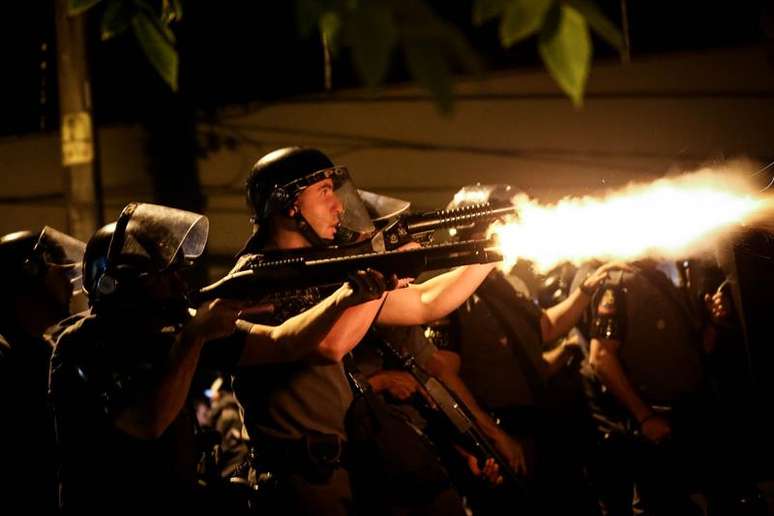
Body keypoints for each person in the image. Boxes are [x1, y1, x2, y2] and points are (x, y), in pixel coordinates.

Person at [49, 202, 392, 513]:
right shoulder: (83, 342)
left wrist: (348, 296)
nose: (179, 283)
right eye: (165, 275)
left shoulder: (177, 330)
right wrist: (195, 336)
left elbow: (283, 341)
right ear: (119, 283)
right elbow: (147, 422)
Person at [234, 147, 500, 515]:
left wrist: (497, 248)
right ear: (288, 202)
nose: (338, 205)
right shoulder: (255, 278)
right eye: (324, 191)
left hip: (343, 465)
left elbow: (426, 303)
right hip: (299, 476)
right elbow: (330, 345)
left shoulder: (318, 270)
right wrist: (385, 276)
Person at [579, 258, 766, 515]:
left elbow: (700, 351)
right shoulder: (616, 284)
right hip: (659, 422)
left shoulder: (661, 278)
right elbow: (600, 358)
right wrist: (645, 417)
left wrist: (713, 321)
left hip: (693, 413)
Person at [0, 227, 85, 514]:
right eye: (59, 271)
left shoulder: (43, 350)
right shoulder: (5, 354)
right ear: (30, 271)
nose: (69, 281)